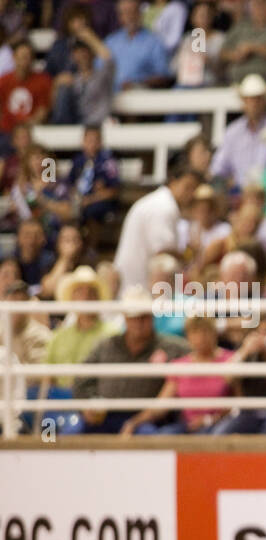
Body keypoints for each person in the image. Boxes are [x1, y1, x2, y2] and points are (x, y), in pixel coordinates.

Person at [74, 289, 189, 434]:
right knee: (72, 432)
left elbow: (197, 356)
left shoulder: (172, 348)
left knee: (149, 436)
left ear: (152, 317)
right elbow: (81, 379)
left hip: (148, 419)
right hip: (103, 416)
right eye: (134, 317)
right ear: (125, 318)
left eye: (144, 317)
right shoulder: (106, 346)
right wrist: (87, 405)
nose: (139, 323)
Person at [121, 315, 232, 435]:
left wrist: (209, 420)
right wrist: (134, 422)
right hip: (187, 425)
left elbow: (238, 403)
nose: (200, 338)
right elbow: (161, 405)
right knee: (162, 436)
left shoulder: (231, 360)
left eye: (205, 332)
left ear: (214, 333)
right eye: (195, 333)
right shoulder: (180, 366)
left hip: (219, 425)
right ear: (187, 336)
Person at [113, 160, 200, 289]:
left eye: (194, 189)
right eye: (187, 187)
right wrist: (188, 255)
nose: (190, 194)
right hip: (138, 287)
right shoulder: (163, 207)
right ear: (173, 182)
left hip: (136, 284)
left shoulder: (159, 202)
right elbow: (162, 253)